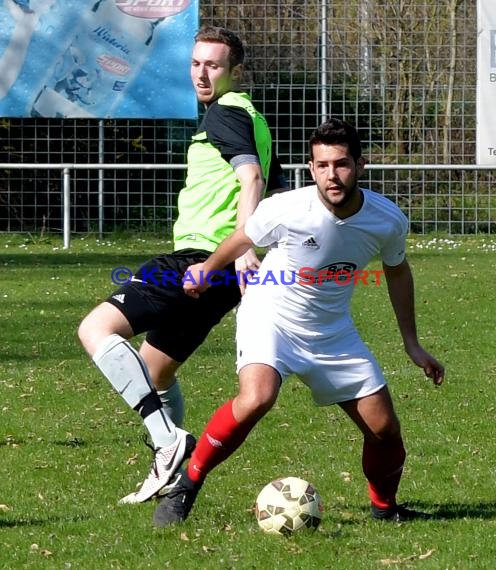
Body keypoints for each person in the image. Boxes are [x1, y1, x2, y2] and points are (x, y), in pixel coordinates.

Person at [153, 117, 445, 527]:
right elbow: (244, 237)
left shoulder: (387, 220)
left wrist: (412, 344)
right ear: (311, 169)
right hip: (271, 317)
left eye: (341, 164)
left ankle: (385, 507)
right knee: (257, 397)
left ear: (360, 165)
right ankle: (188, 483)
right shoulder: (286, 208)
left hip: (332, 330)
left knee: (384, 429)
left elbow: (397, 271)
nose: (332, 175)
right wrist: (207, 267)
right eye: (322, 166)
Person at [77, 25, 288, 504]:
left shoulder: (226, 114)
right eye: (196, 63)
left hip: (198, 259)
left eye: (213, 65)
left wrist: (246, 244)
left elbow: (252, 178)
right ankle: (170, 468)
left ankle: (169, 444)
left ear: (237, 72)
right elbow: (268, 185)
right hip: (223, 274)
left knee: (95, 330)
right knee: (154, 374)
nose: (201, 73)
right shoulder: (254, 119)